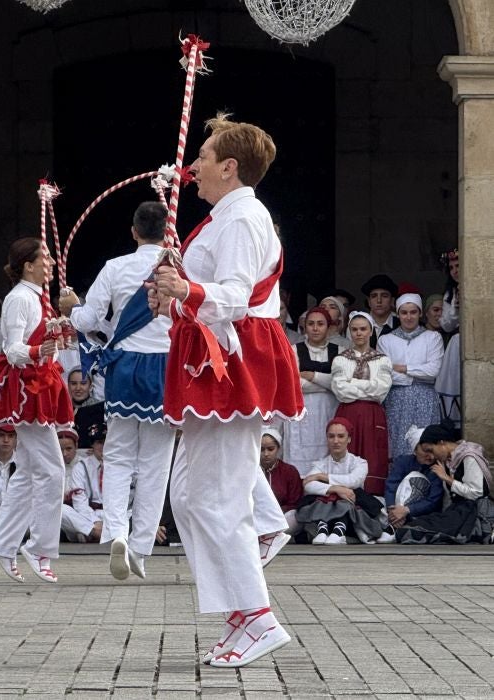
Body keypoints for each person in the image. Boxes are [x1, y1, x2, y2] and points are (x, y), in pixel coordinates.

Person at [151, 114, 303, 668]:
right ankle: (240, 609)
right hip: (212, 353)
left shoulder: (242, 219)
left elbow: (236, 296)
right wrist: (174, 294)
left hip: (231, 356)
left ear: (229, 166)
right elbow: (207, 292)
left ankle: (258, 616)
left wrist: (186, 288)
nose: (194, 166)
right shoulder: (224, 217)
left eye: (204, 156)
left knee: (216, 496)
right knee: (191, 494)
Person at [60, 200, 175, 581]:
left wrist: (71, 308)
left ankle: (116, 533)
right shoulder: (180, 267)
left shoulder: (115, 267)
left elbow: (90, 319)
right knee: (156, 463)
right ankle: (141, 547)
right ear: (167, 230)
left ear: (134, 231)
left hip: (126, 366)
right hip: (165, 365)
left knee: (120, 455)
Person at [0, 237, 74, 584]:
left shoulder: (39, 298)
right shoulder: (20, 298)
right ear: (28, 265)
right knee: (52, 471)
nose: (50, 263)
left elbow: (43, 346)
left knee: (28, 472)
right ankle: (40, 546)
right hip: (25, 390)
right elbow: (13, 349)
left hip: (40, 385)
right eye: (45, 257)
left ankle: (4, 543)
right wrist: (41, 350)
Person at [397, 424, 494, 544]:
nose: (432, 456)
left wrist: (447, 479)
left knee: (430, 530)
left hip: (476, 512)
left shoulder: (469, 457)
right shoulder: (449, 461)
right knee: (421, 523)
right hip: (460, 510)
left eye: (431, 450)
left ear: (442, 443)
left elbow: (476, 492)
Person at [330, 312, 394, 496]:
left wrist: (353, 384)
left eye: (363, 329)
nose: (359, 333)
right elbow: (340, 390)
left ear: (371, 331)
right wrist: (367, 387)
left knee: (373, 455)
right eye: (354, 329)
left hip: (373, 414)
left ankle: (372, 500)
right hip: (347, 412)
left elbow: (380, 390)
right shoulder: (340, 359)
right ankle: (343, 496)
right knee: (347, 452)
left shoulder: (382, 359)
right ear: (349, 331)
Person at [377, 293, 444, 460]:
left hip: (425, 398)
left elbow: (434, 370)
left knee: (425, 442)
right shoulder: (386, 340)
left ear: (420, 313)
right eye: (404, 312)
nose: (408, 317)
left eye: (413, 312)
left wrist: (404, 368)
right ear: (397, 314)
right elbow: (385, 372)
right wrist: (416, 375)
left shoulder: (432, 337)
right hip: (396, 400)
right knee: (398, 442)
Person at [296, 418, 383, 545]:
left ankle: (338, 530)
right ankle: (323, 529)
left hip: (352, 513)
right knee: (323, 498)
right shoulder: (321, 463)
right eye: (331, 436)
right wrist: (337, 489)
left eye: (341, 436)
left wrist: (322, 477)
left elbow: (353, 481)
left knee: (348, 497)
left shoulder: (360, 462)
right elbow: (308, 485)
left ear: (349, 439)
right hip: (327, 510)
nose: (336, 441)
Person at [285, 307, 340, 472]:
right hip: (304, 412)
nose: (315, 328)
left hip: (330, 410)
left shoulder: (339, 351)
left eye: (320, 324)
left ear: (328, 327)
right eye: (311, 324)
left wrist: (313, 376)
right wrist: (327, 384)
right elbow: (294, 383)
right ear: (304, 327)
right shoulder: (294, 350)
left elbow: (340, 383)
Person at [380, 424, 444, 542]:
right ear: (415, 449)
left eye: (432, 451)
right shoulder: (403, 462)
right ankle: (393, 524)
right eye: (426, 451)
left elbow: (433, 500)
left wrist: (406, 511)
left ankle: (394, 527)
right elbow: (391, 486)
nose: (430, 456)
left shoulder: (436, 469)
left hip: (421, 513)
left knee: (417, 478)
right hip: (396, 509)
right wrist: (393, 511)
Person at [60, 423, 107, 544]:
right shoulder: (81, 467)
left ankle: (88, 534)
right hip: (89, 516)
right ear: (93, 444)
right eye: (99, 442)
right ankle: (95, 533)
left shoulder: (123, 466)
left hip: (112, 516)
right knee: (61, 510)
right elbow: (80, 503)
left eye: (107, 441)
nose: (104, 446)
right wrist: (95, 523)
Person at [259, 427, 302, 534]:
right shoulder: (251, 471)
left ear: (278, 449)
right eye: (261, 449)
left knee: (294, 517)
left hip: (281, 517)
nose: (266, 454)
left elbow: (294, 504)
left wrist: (275, 513)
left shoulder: (289, 471)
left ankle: (270, 536)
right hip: (258, 517)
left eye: (270, 449)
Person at [436, 250, 461, 427]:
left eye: (458, 266)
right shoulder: (450, 293)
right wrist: (455, 307)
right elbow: (446, 325)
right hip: (459, 340)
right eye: (451, 267)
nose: (455, 270)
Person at [357, 274, 399, 347]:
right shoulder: (357, 325)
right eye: (374, 296)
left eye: (384, 296)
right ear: (369, 301)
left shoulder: (400, 325)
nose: (379, 300)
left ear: (392, 301)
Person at [0, 423, 18, 494]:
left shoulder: (24, 463)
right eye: (1, 435)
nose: (6, 440)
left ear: (16, 438)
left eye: (10, 436)